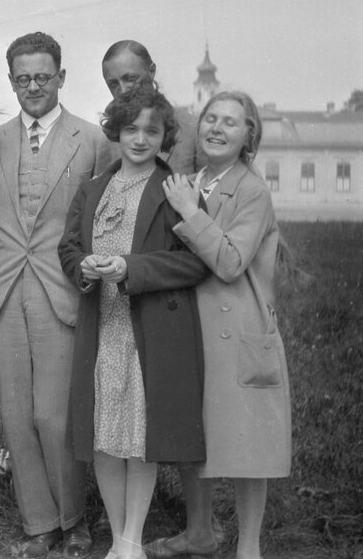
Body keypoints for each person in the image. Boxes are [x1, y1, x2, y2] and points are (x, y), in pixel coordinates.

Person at [0, 31, 116, 559]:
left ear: (61, 76)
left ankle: (74, 521)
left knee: (55, 414)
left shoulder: (92, 140)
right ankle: (39, 524)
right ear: (11, 82)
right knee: (16, 412)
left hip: (62, 289)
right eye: (22, 78)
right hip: (5, 289)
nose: (32, 86)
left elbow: (104, 217)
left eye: (42, 75)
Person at [58, 84, 209, 559]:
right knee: (105, 434)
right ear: (116, 131)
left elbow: (195, 263)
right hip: (103, 324)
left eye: (152, 130)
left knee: (139, 433)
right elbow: (67, 247)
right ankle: (122, 540)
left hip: (150, 329)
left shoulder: (176, 190)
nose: (141, 139)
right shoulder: (94, 188)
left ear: (165, 136)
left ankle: (129, 542)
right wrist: (82, 267)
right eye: (131, 129)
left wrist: (131, 268)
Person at [150, 91, 292, 559]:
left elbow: (230, 262)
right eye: (210, 118)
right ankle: (200, 532)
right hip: (192, 327)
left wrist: (190, 211)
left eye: (230, 122)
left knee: (250, 442)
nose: (216, 128)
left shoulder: (252, 190)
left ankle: (249, 546)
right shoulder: (188, 181)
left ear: (249, 134)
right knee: (197, 435)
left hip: (239, 331)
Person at [101, 40, 202, 174]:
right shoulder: (106, 140)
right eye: (113, 84)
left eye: (130, 79)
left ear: (151, 71)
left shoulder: (192, 128)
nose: (123, 90)